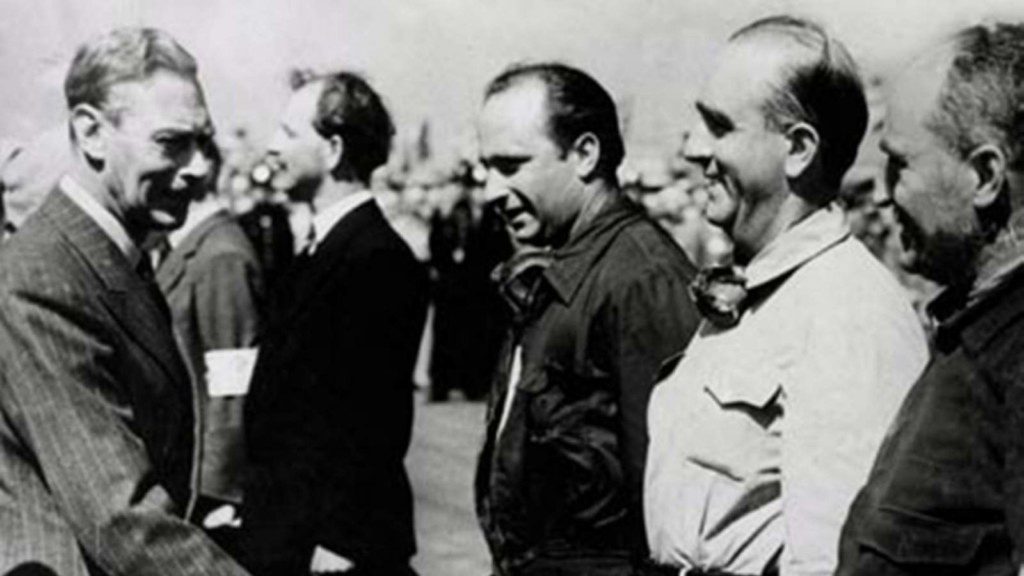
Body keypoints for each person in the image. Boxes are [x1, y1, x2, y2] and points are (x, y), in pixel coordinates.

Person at [643, 16, 928, 576]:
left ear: (798, 149)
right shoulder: (763, 291)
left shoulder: (848, 317)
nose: (693, 148)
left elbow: (837, 561)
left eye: (719, 127)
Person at [0, 27, 248, 575]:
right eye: (172, 142)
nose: (200, 167)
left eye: (202, 142)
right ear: (91, 132)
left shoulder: (103, 259)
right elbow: (120, 519)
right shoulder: (44, 279)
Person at [474, 62, 701, 576]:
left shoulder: (640, 280)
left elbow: (668, 504)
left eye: (510, 165)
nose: (489, 190)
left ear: (585, 154)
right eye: (485, 167)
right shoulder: (559, 266)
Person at [836, 22, 1024, 576]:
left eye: (901, 163)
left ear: (985, 175)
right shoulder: (975, 332)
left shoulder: (1011, 356)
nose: (880, 190)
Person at [239, 71, 428, 576]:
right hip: (291, 529)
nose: (272, 147)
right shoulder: (323, 249)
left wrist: (343, 538)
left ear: (333, 149)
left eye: (289, 133)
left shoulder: (376, 259)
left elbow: (376, 418)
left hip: (331, 549)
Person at [154, 140, 265, 552]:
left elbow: (232, 383)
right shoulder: (190, 247)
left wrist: (220, 493)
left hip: (209, 493)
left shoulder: (221, 257)